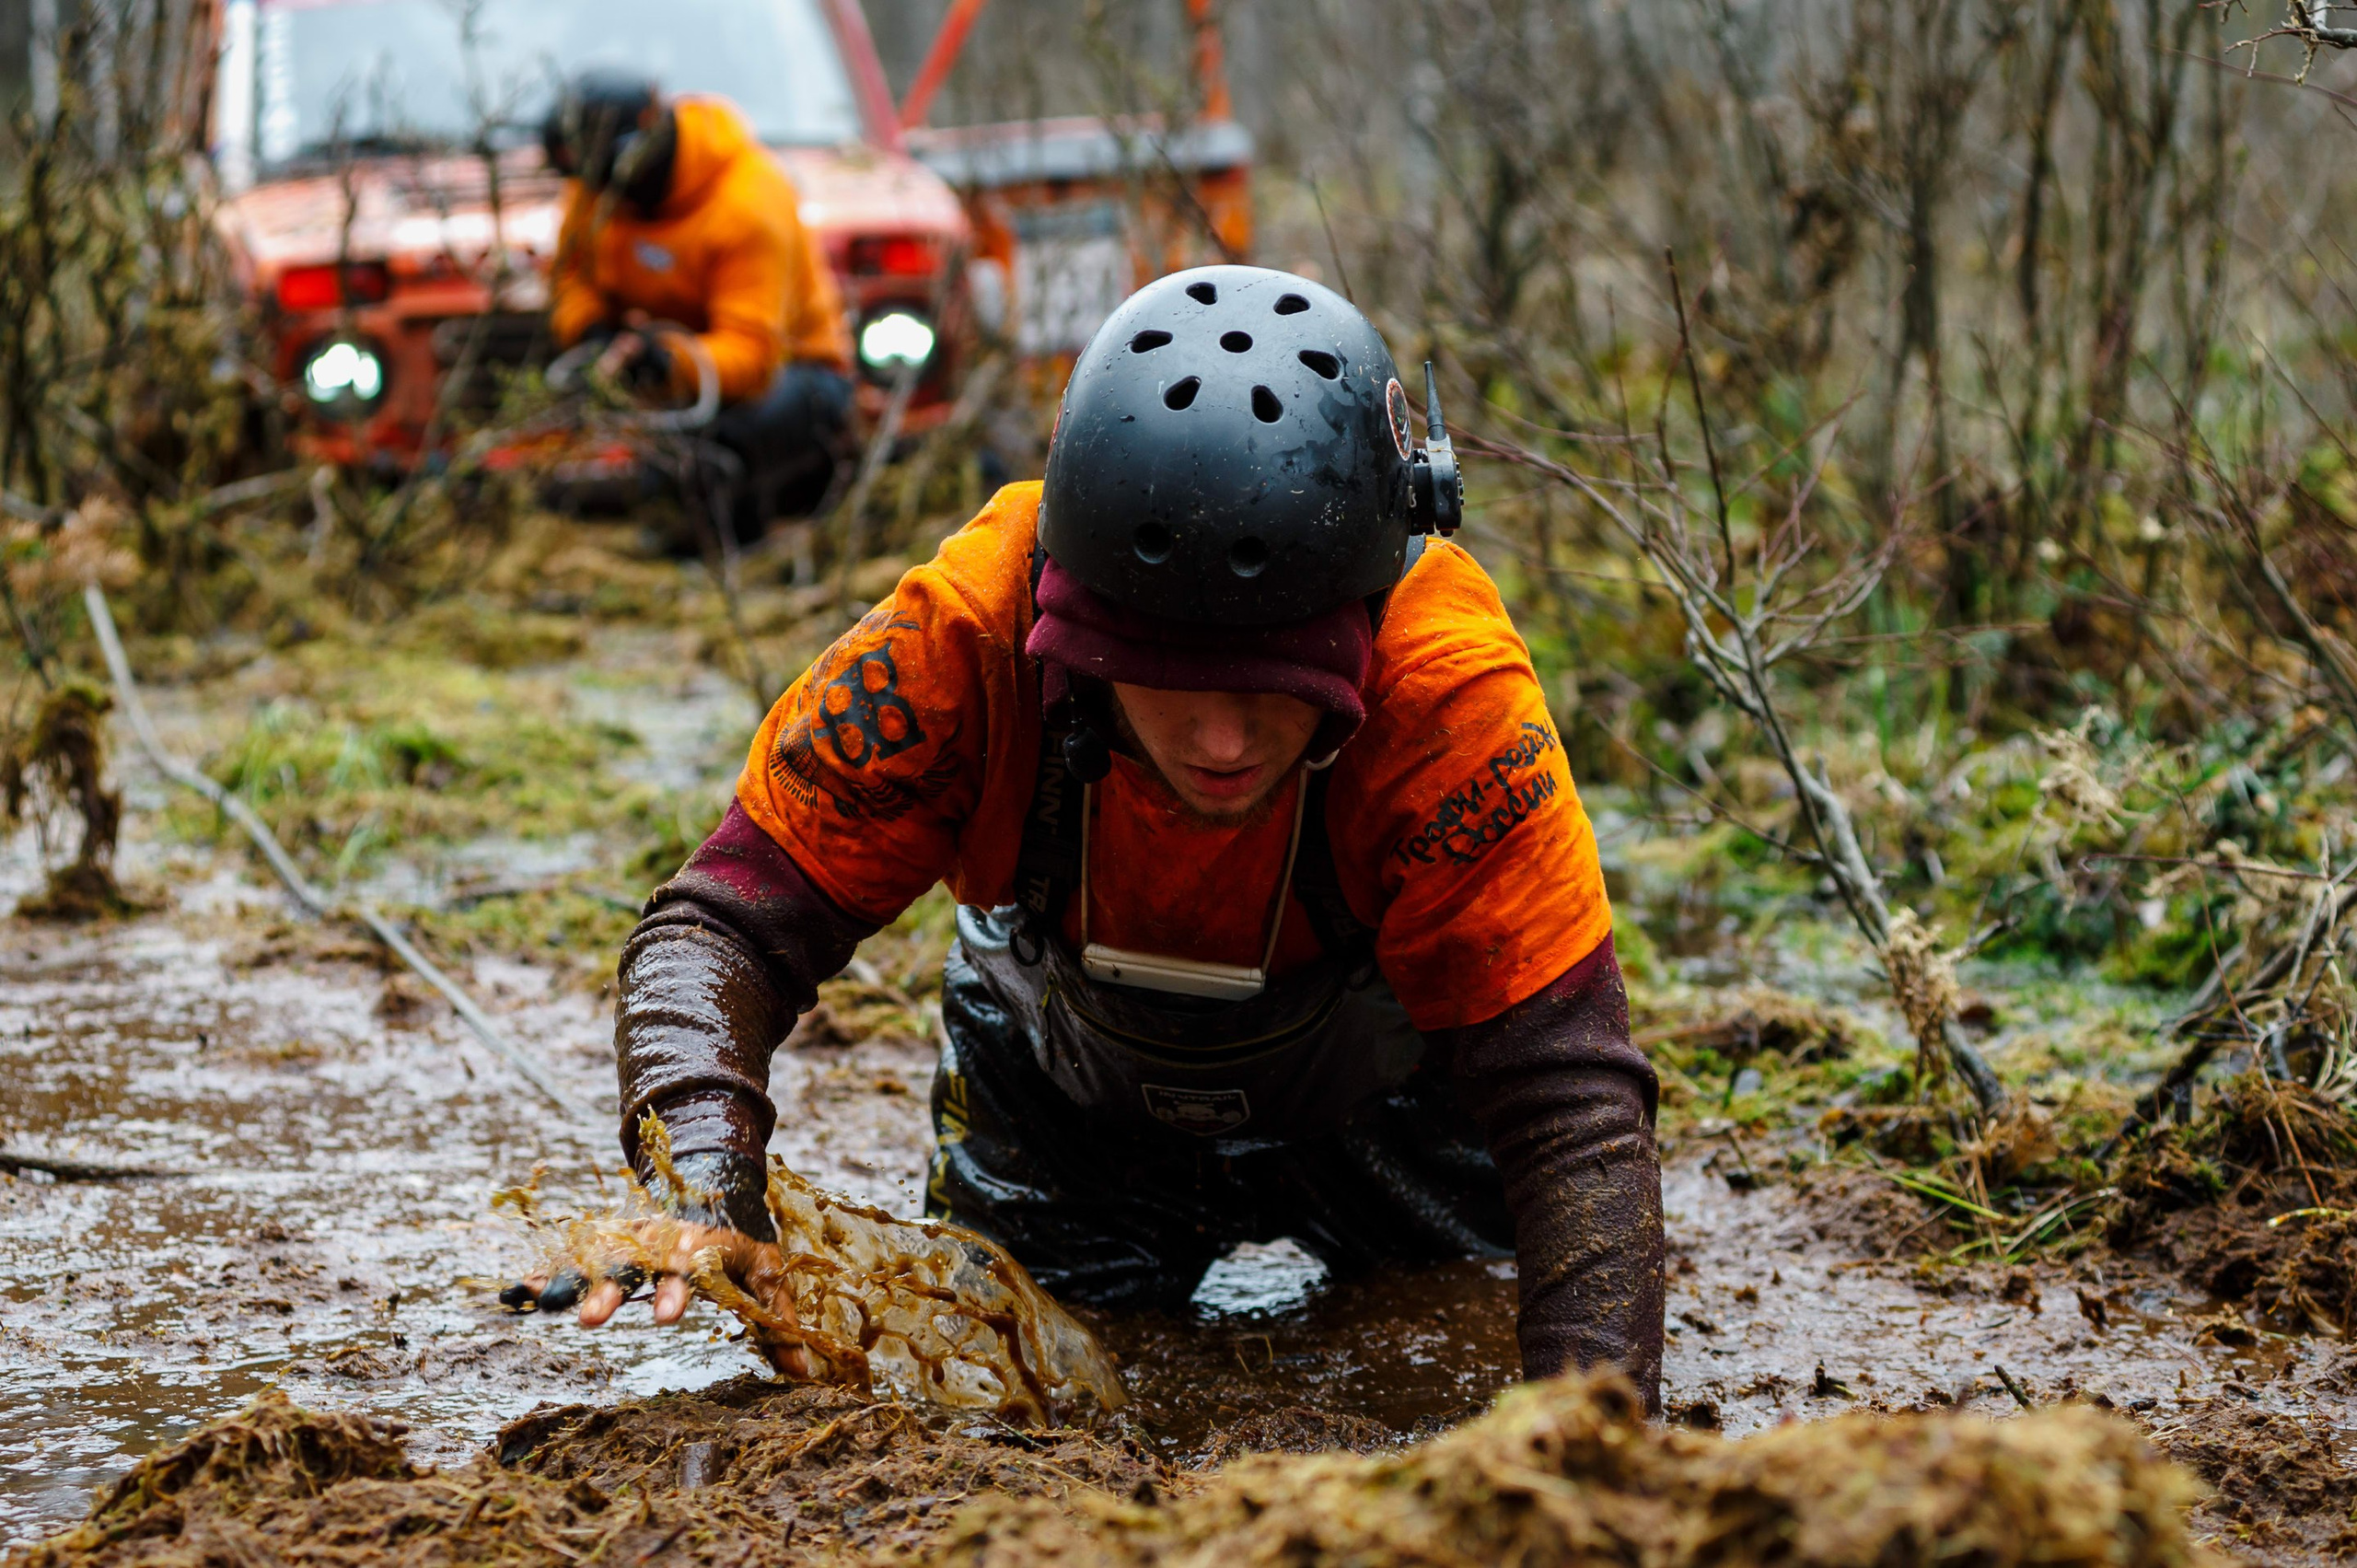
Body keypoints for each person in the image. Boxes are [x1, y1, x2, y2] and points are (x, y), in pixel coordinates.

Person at [527, 266, 1666, 1408]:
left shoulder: (1449, 693)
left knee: (1462, 1341)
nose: (1222, 739)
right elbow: (721, 921)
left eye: (1277, 685)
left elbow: (1569, 1103)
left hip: (1395, 1110)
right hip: (1066, 1106)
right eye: (1166, 682)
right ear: (1071, 625)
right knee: (1009, 1391)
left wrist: (1592, 1452)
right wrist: (700, 1161)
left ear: (1363, 628)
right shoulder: (967, 632)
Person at [543, 70, 853, 537]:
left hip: (798, 372)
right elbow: (570, 276)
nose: (588, 193)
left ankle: (745, 532)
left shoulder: (747, 203)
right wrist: (591, 331)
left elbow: (752, 359)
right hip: (679, 378)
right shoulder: (596, 189)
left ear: (638, 152)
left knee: (703, 454)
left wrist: (664, 363)